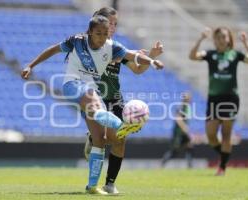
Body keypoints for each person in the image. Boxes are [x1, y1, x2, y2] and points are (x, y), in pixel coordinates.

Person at [21, 15, 164, 194]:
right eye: (98, 33)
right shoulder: (77, 41)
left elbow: (134, 56)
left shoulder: (113, 47)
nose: (102, 37)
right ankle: (121, 126)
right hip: (73, 85)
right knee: (97, 106)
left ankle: (92, 186)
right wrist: (30, 65)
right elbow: (53, 49)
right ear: (90, 32)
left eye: (105, 33)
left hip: (92, 90)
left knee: (100, 139)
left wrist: (152, 61)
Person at [83, 7, 164, 194]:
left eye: (115, 24)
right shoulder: (89, 44)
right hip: (95, 98)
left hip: (115, 99)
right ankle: (94, 141)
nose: (112, 27)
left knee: (119, 139)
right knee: (105, 139)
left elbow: (137, 69)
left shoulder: (118, 48)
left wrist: (151, 55)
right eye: (109, 22)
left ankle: (110, 184)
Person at [189, 27, 248, 175]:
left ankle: (222, 167)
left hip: (230, 98)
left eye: (224, 37)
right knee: (211, 135)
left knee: (226, 134)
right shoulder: (210, 54)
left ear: (229, 39)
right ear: (214, 40)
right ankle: (224, 156)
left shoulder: (235, 54)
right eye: (218, 37)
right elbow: (192, 56)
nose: (221, 40)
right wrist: (200, 39)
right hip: (214, 99)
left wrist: (246, 43)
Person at [161, 92, 193, 168]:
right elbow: (178, 119)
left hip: (184, 132)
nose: (189, 100)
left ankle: (190, 165)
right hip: (179, 132)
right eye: (188, 98)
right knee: (175, 150)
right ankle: (162, 163)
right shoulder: (181, 107)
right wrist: (184, 127)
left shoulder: (187, 107)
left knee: (189, 146)